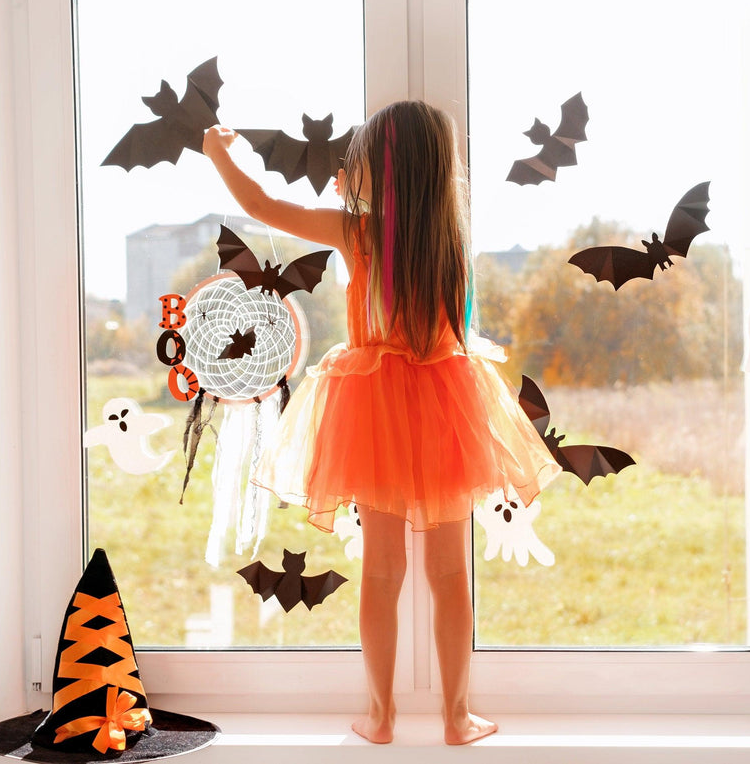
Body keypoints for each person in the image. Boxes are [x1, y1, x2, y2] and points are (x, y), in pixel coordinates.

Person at [202, 101, 559, 745]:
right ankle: (456, 717)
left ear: (384, 173)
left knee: (382, 571)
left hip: (376, 409)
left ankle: (382, 715)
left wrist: (218, 153)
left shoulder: (357, 232)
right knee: (449, 574)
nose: (347, 169)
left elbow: (260, 205)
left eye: (359, 160)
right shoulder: (450, 241)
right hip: (447, 404)